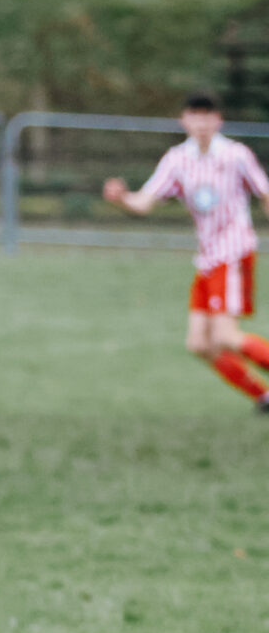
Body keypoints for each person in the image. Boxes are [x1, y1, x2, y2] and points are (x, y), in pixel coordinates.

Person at [104, 93, 269, 410]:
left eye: (208, 116)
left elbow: (264, 191)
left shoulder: (236, 155)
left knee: (224, 336)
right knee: (198, 343)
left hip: (233, 252)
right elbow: (144, 202)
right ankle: (263, 397)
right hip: (207, 259)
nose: (202, 122)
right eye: (195, 115)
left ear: (218, 121)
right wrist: (122, 198)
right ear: (184, 121)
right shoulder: (178, 159)